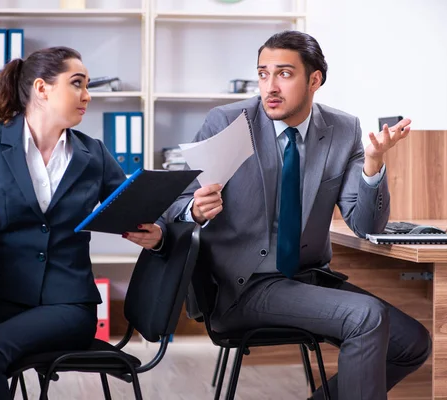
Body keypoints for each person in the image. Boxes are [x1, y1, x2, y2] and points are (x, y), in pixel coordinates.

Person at [155, 31, 431, 399]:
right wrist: (194, 209)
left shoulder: (342, 128)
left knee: (412, 342)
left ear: (314, 79)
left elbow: (366, 226)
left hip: (307, 278)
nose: (270, 86)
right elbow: (175, 206)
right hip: (243, 287)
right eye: (263, 74)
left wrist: (373, 165)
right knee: (365, 316)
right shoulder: (230, 121)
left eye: (284, 74)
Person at [0, 46, 162, 400]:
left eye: (87, 86)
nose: (87, 96)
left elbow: (139, 209)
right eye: (77, 84)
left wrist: (156, 232)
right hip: (3, 299)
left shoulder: (94, 154)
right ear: (42, 89)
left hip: (68, 305)